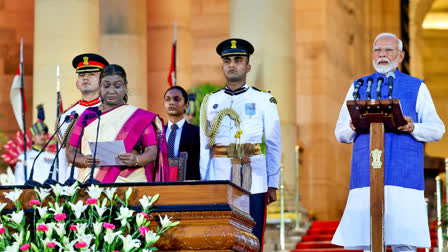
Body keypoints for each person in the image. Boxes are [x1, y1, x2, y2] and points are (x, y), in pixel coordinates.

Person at [332, 33, 445, 251]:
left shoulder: (416, 87)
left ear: (401, 55)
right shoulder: (358, 86)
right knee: (370, 242)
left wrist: (414, 127)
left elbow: (437, 129)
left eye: (389, 50)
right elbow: (340, 133)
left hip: (404, 175)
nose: (382, 54)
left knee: (404, 243)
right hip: (367, 174)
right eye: (377, 50)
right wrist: (352, 127)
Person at [199, 38, 281, 251]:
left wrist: (273, 182)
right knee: (220, 236)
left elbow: (273, 143)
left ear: (248, 66)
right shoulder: (210, 101)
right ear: (222, 65)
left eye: (238, 60)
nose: (232, 64)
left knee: (252, 238)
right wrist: (205, 181)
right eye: (227, 60)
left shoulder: (264, 100)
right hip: (220, 176)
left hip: (254, 176)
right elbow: (204, 147)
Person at [66, 64, 170, 183]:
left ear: (125, 87)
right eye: (106, 86)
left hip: (130, 184)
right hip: (91, 184)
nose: (111, 91)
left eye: (117, 86)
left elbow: (151, 151)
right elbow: (71, 152)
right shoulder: (88, 115)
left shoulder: (139, 117)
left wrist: (136, 159)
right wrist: (84, 160)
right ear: (100, 87)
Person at [56, 53, 109, 184]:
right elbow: (62, 155)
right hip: (73, 178)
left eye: (92, 74)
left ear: (103, 80)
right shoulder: (67, 115)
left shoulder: (111, 110)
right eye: (81, 75)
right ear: (77, 83)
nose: (85, 77)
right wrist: (60, 186)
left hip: (103, 177)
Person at [163, 86, 200, 180]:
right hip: (161, 184)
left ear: (186, 105)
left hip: (189, 186)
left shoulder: (197, 133)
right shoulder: (157, 132)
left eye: (176, 99)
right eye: (168, 99)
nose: (171, 102)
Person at [15, 105, 55, 184]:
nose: (42, 136)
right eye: (39, 134)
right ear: (33, 137)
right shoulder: (23, 157)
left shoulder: (53, 157)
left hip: (50, 194)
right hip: (30, 194)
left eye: (44, 134)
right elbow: (19, 180)